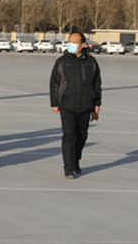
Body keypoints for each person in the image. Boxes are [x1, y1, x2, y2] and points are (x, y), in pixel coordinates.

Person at [49, 32, 102, 179]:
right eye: (69, 41)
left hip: (85, 105)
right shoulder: (61, 62)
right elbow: (54, 83)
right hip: (67, 105)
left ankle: (75, 160)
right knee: (69, 135)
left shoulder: (91, 62)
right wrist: (54, 102)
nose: (70, 44)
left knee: (81, 136)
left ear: (83, 45)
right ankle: (68, 167)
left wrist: (97, 103)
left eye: (74, 42)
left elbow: (97, 83)